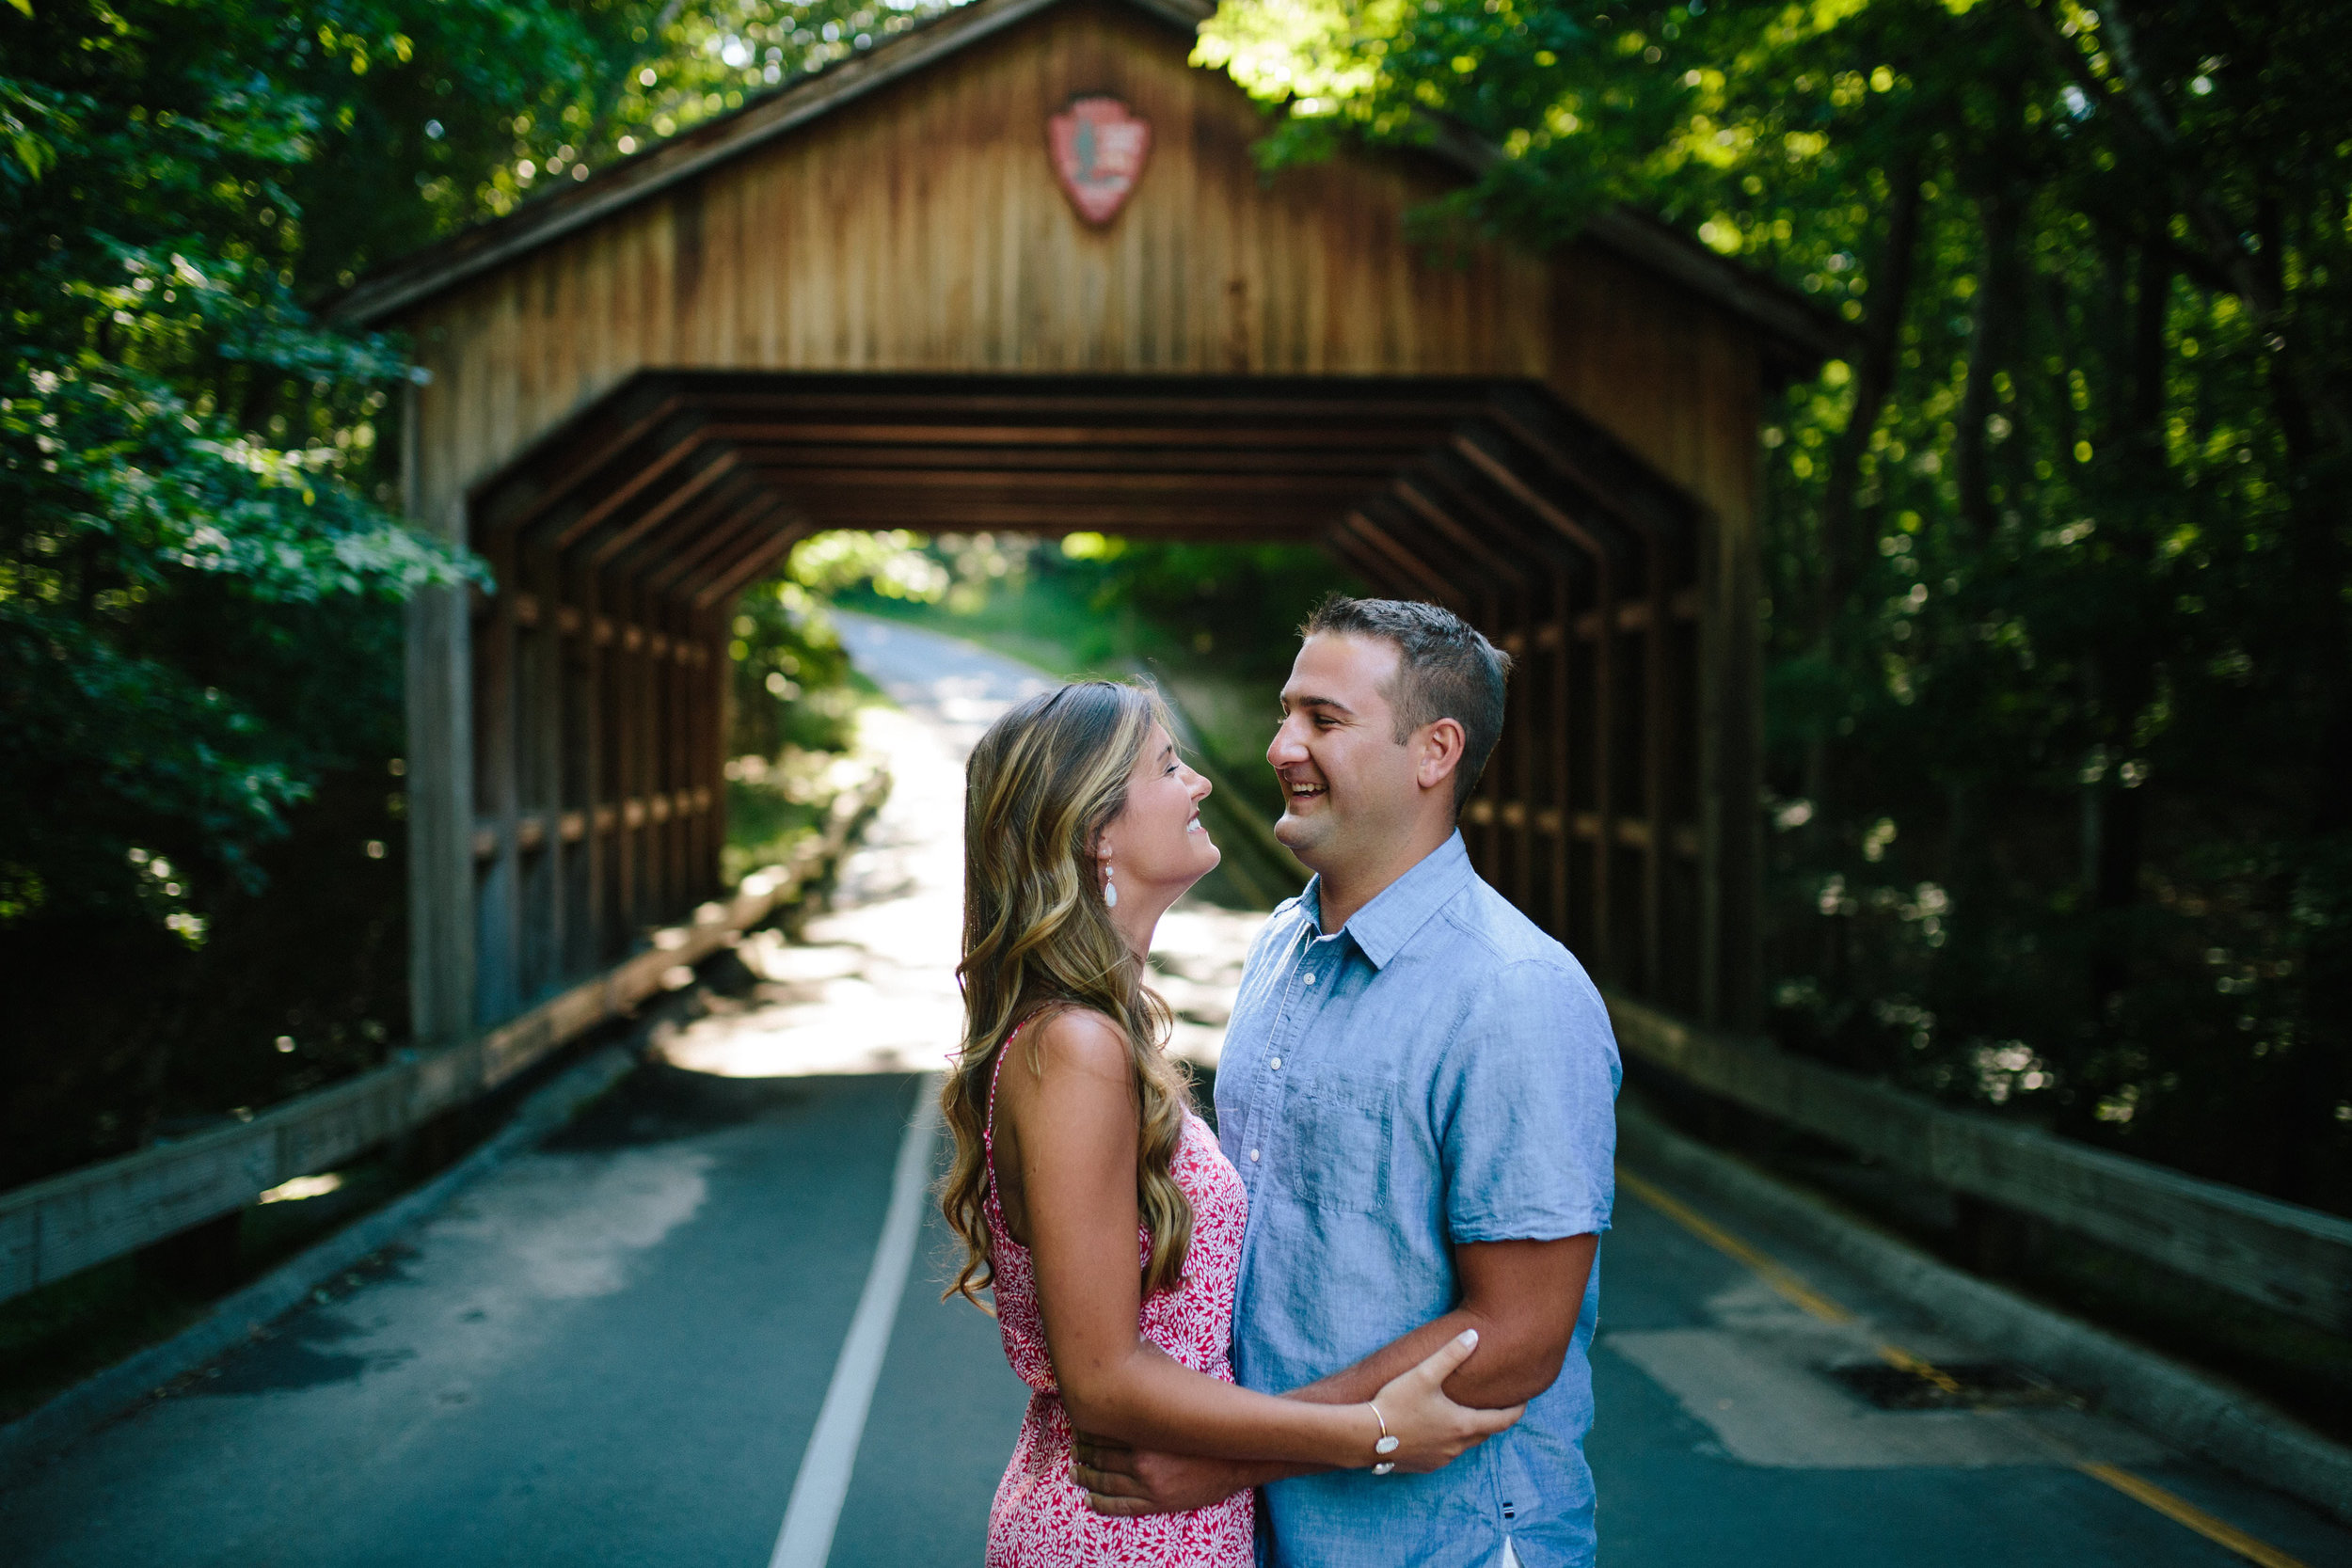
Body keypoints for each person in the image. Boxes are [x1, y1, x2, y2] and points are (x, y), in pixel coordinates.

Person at [1073, 598, 1621, 1568]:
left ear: (1434, 751)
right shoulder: (1282, 944)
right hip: (1272, 1539)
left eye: (1324, 720)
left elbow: (1514, 1339)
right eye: (1287, 712)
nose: (1282, 743)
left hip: (1442, 1545)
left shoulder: (1514, 993)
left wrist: (1230, 1454)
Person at [940, 679, 1520, 1568]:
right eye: (1170, 767)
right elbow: (1102, 1380)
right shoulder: (1076, 1049)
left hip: (1150, 1525)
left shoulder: (1100, 1029)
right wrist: (1370, 1432)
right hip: (1118, 1537)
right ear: (1098, 828)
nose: (1202, 784)